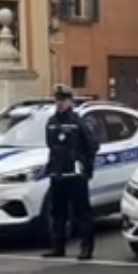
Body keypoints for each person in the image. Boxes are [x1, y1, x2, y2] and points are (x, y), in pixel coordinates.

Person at [42, 84, 100, 260]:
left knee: (82, 213)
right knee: (57, 212)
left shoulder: (79, 122)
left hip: (76, 175)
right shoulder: (51, 122)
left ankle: (86, 248)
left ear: (70, 102)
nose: (59, 104)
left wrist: (85, 166)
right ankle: (58, 247)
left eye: (63, 100)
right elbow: (51, 146)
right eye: (57, 100)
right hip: (58, 174)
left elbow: (92, 146)